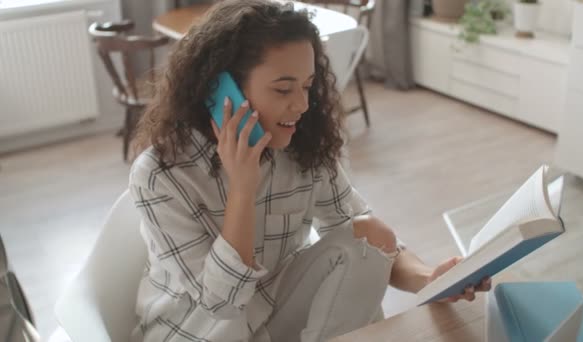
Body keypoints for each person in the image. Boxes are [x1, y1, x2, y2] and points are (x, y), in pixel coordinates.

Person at [128, 1, 491, 341]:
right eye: (283, 89)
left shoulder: (301, 146)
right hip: (198, 330)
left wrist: (430, 279)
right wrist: (243, 186)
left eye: (307, 85)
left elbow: (365, 234)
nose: (302, 105)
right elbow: (220, 306)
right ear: (223, 91)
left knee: (370, 235)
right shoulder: (161, 174)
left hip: (270, 314)